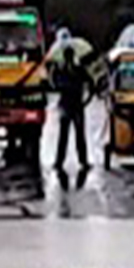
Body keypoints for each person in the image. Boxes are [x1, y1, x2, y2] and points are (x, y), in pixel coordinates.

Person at [51, 44, 91, 172]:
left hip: (69, 105)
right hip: (74, 106)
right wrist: (87, 100)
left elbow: (54, 85)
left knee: (70, 136)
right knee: (71, 136)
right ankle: (80, 161)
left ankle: (63, 161)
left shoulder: (66, 70)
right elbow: (91, 83)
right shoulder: (77, 70)